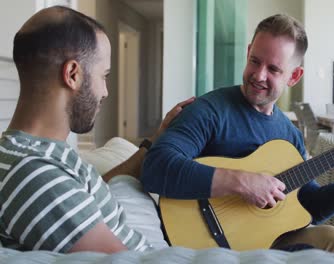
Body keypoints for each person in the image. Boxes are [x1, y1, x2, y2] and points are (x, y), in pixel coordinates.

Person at [141, 14, 334, 252]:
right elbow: (155, 167)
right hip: (203, 241)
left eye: (273, 69)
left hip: (264, 241)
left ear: (294, 76)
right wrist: (242, 182)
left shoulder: (289, 135)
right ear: (248, 52)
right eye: (255, 61)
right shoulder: (209, 110)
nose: (259, 75)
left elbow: (308, 204)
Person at [0, 6, 194, 253]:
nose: (105, 92)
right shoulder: (34, 174)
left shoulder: (35, 157)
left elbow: (82, 199)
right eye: (104, 76)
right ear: (73, 74)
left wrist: (153, 142)